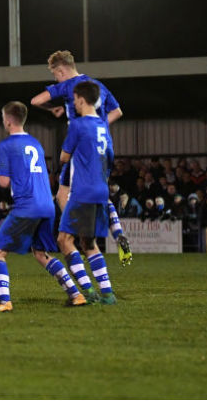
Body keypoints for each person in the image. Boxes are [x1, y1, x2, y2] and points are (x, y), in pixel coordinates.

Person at [29, 50, 131, 265]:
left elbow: (35, 100)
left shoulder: (70, 86)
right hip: (102, 148)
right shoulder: (96, 86)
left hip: (80, 150)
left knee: (62, 196)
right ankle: (117, 230)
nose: (56, 79)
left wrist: (53, 107)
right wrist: (99, 127)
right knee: (98, 191)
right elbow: (117, 111)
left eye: (55, 75)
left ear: (61, 70)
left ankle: (79, 231)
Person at [0, 101, 87, 312]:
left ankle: (5, 301)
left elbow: (4, 182)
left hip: (27, 206)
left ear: (7, 120)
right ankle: (76, 294)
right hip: (46, 205)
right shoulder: (36, 143)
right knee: (41, 254)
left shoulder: (6, 145)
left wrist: (3, 172)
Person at [56, 81, 118, 305]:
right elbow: (110, 156)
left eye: (74, 100)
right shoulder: (103, 125)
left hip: (82, 191)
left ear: (81, 99)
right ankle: (108, 293)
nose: (74, 104)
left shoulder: (78, 125)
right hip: (100, 190)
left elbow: (64, 156)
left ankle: (88, 291)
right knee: (88, 242)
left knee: (64, 240)